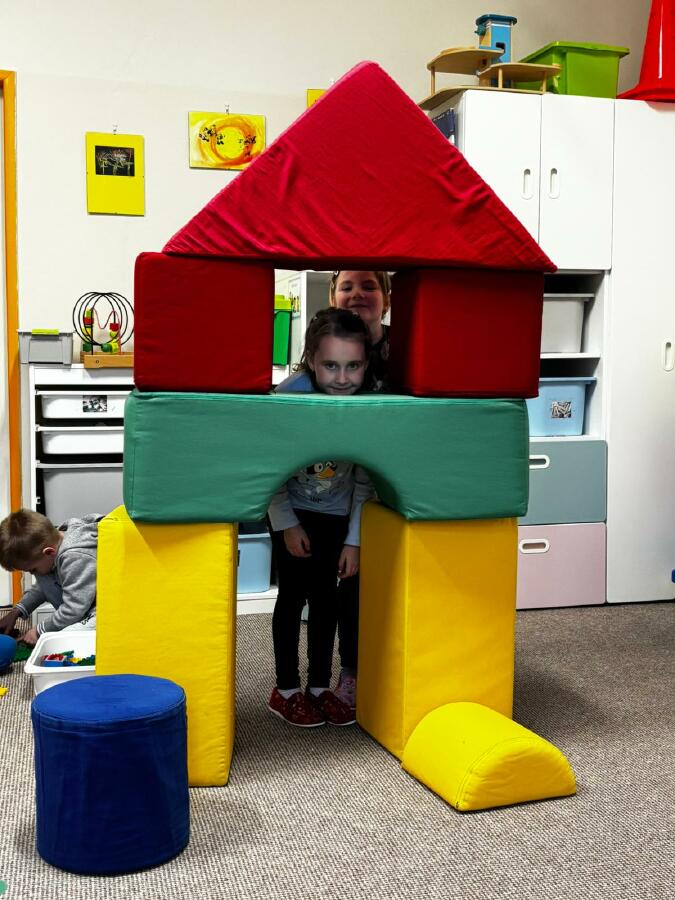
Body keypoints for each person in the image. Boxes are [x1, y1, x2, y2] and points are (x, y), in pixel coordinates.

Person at [268, 308, 375, 727]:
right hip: (293, 512)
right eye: (331, 365)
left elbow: (366, 479)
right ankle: (285, 689)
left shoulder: (368, 404)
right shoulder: (289, 398)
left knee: (326, 601)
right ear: (312, 360)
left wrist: (355, 540)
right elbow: (270, 469)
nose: (343, 378)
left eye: (354, 366)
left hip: (336, 516)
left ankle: (317, 686)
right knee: (292, 598)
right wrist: (287, 523)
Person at [0, 509, 101, 646]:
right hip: (84, 608)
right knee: (44, 575)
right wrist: (17, 610)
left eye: (32, 570)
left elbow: (73, 608)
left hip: (103, 612)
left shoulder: (75, 556)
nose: (32, 574)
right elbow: (43, 586)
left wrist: (39, 631)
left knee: (60, 642)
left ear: (49, 552)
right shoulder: (54, 543)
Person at [329, 270, 391, 394]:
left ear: (386, 299)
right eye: (347, 288)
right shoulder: (323, 342)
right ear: (333, 300)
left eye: (369, 288)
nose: (357, 294)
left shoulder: (406, 344)